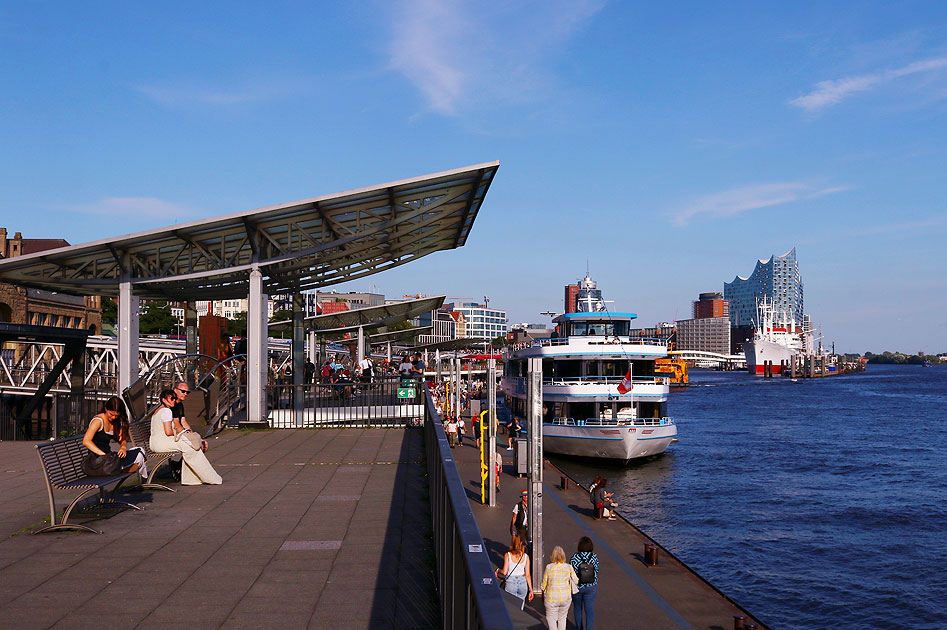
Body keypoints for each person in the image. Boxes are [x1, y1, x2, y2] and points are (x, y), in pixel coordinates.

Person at [150, 389, 222, 485]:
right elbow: (168, 432)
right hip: (162, 443)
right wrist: (179, 434)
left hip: (156, 443)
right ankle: (208, 478)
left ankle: (192, 479)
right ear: (163, 400)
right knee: (191, 448)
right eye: (171, 398)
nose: (174, 400)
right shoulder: (166, 411)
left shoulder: (158, 411)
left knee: (189, 447)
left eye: (175, 398)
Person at [81, 396, 147, 477]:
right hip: (97, 462)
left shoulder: (114, 422)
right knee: (140, 453)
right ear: (106, 409)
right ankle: (143, 478)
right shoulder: (98, 421)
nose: (113, 417)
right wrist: (103, 455)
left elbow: (121, 439)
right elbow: (86, 441)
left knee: (139, 451)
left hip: (109, 460)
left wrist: (123, 447)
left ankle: (130, 471)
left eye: (116, 416)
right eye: (111, 414)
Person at [540, 545, 579, 630]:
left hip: (551, 598)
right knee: (562, 618)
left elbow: (544, 583)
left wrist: (542, 590)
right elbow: (576, 581)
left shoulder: (549, 567)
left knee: (551, 618)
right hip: (565, 597)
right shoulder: (568, 567)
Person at [496, 535, 533, 610]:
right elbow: (528, 574)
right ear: (521, 543)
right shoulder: (525, 557)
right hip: (522, 582)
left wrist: (497, 570)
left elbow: (504, 572)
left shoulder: (508, 555)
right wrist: (531, 589)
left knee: (510, 608)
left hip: (511, 583)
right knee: (520, 608)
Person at [570, 536, 600, 630]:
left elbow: (571, 572)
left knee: (577, 609)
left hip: (577, 587)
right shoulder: (594, 557)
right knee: (589, 610)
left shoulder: (574, 557)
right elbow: (597, 570)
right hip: (591, 586)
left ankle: (579, 628)